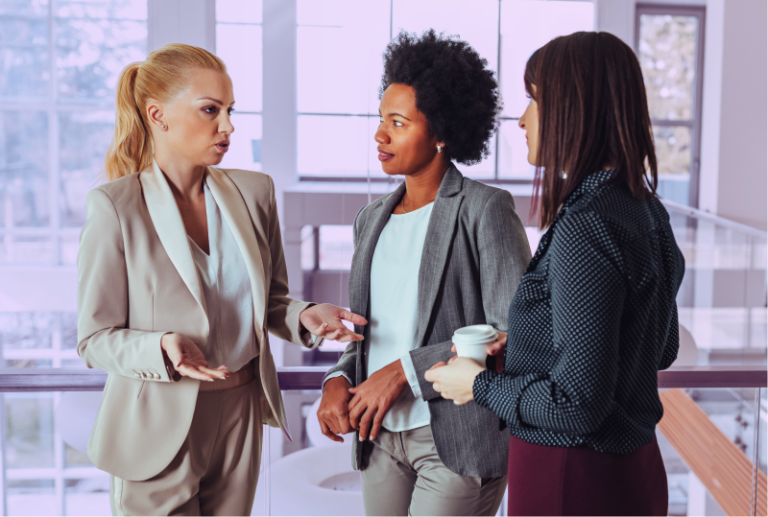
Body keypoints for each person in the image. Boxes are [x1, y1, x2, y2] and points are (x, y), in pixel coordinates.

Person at [77, 43, 365, 517]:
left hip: (240, 411)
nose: (228, 126)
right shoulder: (114, 207)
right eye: (211, 110)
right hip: (156, 423)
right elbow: (94, 339)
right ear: (157, 115)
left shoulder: (255, 193)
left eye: (230, 111)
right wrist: (161, 344)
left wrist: (305, 316)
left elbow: (270, 300)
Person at [426, 31, 685, 517]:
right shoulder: (647, 211)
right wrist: (529, 344)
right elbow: (657, 348)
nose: (522, 120)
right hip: (635, 471)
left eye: (535, 101)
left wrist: (476, 384)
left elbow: (577, 405)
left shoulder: (587, 225)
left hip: (572, 476)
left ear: (575, 107)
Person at [317, 30, 531, 517]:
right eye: (380, 120)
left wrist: (403, 372)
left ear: (441, 132)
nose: (380, 135)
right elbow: (368, 334)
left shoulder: (485, 210)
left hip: (457, 438)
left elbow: (513, 331)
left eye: (398, 122)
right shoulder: (369, 220)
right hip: (378, 434)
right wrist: (336, 378)